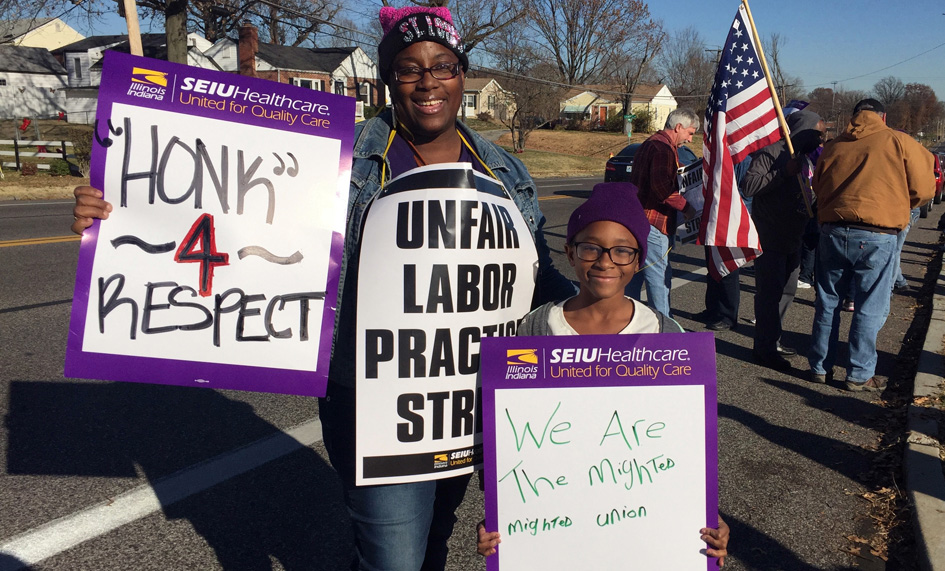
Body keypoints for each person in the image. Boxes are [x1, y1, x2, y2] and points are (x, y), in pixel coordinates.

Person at [72, 6, 576, 570]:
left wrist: (608, 314)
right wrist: (123, 212)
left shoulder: (505, 171)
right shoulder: (336, 157)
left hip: (468, 403)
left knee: (437, 536)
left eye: (444, 66)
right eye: (409, 68)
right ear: (389, 79)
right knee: (394, 559)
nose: (428, 81)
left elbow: (536, 278)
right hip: (371, 403)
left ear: (462, 73)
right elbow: (237, 219)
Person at [475, 182, 729, 565]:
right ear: (570, 253)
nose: (605, 261)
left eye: (622, 250)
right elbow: (510, 445)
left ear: (640, 259)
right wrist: (501, 516)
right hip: (554, 535)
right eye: (591, 247)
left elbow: (682, 451)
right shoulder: (534, 331)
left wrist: (704, 516)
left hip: (637, 539)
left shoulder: (667, 338)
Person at [809, 98, 935, 390]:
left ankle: (819, 366)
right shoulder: (898, 141)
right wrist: (900, 206)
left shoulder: (834, 145)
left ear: (854, 116)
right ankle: (858, 373)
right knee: (869, 306)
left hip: (834, 229)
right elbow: (925, 187)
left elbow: (818, 185)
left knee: (827, 302)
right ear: (883, 116)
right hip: (878, 233)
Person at [742, 110, 826, 371]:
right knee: (769, 294)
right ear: (802, 130)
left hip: (794, 237)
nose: (821, 139)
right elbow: (749, 186)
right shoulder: (771, 152)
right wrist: (783, 174)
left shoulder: (805, 160)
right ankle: (763, 348)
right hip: (771, 235)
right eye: (818, 132)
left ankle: (773, 339)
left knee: (787, 291)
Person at [625, 108, 701, 318]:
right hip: (654, 224)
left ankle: (626, 321)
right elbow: (663, 189)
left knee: (635, 274)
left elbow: (663, 176)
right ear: (678, 127)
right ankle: (665, 329)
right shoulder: (662, 149)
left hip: (638, 220)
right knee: (659, 278)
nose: (690, 139)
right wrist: (688, 208)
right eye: (690, 133)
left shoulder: (651, 144)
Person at [700, 156, 752, 331]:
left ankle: (728, 316)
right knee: (712, 265)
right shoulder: (718, 156)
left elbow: (745, 193)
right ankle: (712, 309)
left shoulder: (743, 159)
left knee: (727, 268)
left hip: (731, 220)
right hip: (714, 217)